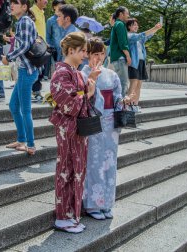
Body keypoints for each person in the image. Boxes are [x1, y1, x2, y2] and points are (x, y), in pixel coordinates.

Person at [49, 32, 100, 233]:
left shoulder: (76, 73)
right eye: (82, 51)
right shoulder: (61, 73)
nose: (85, 56)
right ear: (71, 50)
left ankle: (73, 215)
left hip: (77, 128)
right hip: (67, 127)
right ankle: (63, 216)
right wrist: (87, 93)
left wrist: (89, 84)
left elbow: (81, 98)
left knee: (77, 170)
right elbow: (68, 104)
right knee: (67, 170)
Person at [81, 37, 129, 220]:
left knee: (110, 163)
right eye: (95, 54)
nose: (99, 57)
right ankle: (93, 204)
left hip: (110, 123)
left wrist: (123, 101)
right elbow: (84, 98)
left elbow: (117, 95)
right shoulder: (83, 73)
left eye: (102, 53)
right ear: (87, 55)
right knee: (94, 162)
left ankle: (107, 203)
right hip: (94, 122)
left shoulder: (112, 74)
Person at [2, 0, 39, 155]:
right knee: (13, 106)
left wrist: (8, 57)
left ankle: (30, 145)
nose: (12, 5)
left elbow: (24, 46)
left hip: (26, 70)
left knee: (25, 109)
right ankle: (22, 139)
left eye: (16, 3)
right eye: (11, 3)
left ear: (24, 7)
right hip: (27, 70)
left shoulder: (23, 21)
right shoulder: (26, 21)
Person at [126, 18, 162, 112]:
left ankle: (135, 104)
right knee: (133, 83)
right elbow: (141, 35)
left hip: (141, 61)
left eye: (137, 25)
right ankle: (129, 105)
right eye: (134, 25)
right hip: (134, 62)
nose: (136, 26)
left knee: (139, 84)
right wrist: (154, 28)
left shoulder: (138, 37)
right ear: (129, 26)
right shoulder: (128, 35)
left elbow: (146, 36)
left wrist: (156, 29)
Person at [110, 6, 131, 97]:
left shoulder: (116, 24)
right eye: (127, 13)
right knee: (123, 82)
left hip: (116, 57)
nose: (128, 15)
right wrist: (128, 56)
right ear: (121, 14)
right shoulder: (120, 24)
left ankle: (118, 105)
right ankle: (120, 106)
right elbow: (122, 43)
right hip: (120, 57)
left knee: (119, 82)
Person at [30, 0, 48, 102]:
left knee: (41, 71)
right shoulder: (31, 11)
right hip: (35, 47)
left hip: (43, 46)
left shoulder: (42, 12)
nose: (46, 1)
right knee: (35, 71)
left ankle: (35, 91)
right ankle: (35, 92)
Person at [46, 0, 65, 71]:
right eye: (59, 6)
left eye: (63, 7)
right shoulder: (50, 20)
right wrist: (51, 47)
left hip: (65, 49)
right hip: (55, 50)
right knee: (56, 71)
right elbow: (48, 36)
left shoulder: (65, 19)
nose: (61, 8)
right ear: (54, 7)